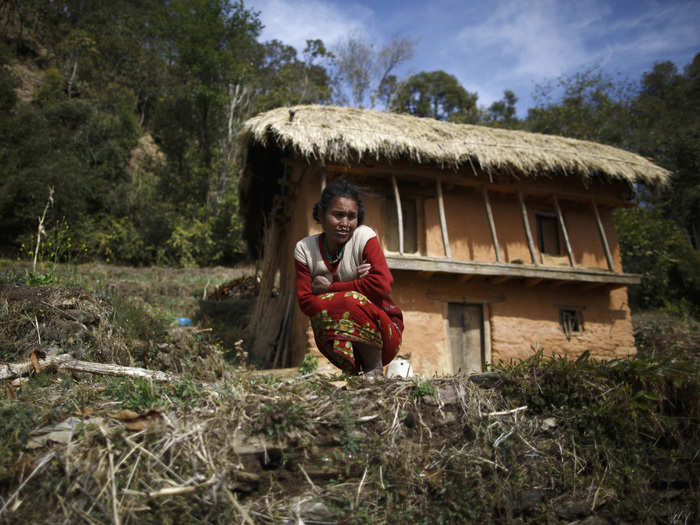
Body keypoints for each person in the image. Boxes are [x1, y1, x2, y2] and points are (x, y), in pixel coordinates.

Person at [294, 180, 403, 377]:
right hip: (332, 334)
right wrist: (359, 285)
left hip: (386, 332)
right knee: (323, 313)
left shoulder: (364, 237)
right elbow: (306, 303)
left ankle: (373, 369)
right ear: (321, 215)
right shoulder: (305, 250)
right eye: (338, 215)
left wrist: (329, 289)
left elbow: (381, 286)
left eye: (351, 217)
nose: (345, 224)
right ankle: (354, 372)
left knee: (351, 301)